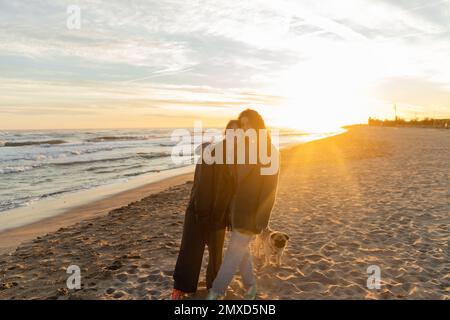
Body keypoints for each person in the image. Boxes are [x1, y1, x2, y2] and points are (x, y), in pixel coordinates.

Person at [207, 109, 280, 300]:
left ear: (257, 125)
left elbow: (270, 190)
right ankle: (251, 287)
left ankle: (216, 292)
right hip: (235, 212)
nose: (245, 128)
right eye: (243, 124)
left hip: (252, 215)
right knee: (242, 252)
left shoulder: (269, 151)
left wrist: (262, 220)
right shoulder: (242, 149)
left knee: (232, 254)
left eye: (248, 124)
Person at [172, 120, 239, 300]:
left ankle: (214, 287)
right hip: (198, 211)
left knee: (216, 254)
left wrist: (228, 216)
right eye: (231, 132)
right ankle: (181, 289)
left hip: (219, 214)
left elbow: (233, 191)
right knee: (191, 251)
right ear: (226, 133)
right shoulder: (211, 151)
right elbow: (201, 186)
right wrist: (202, 214)